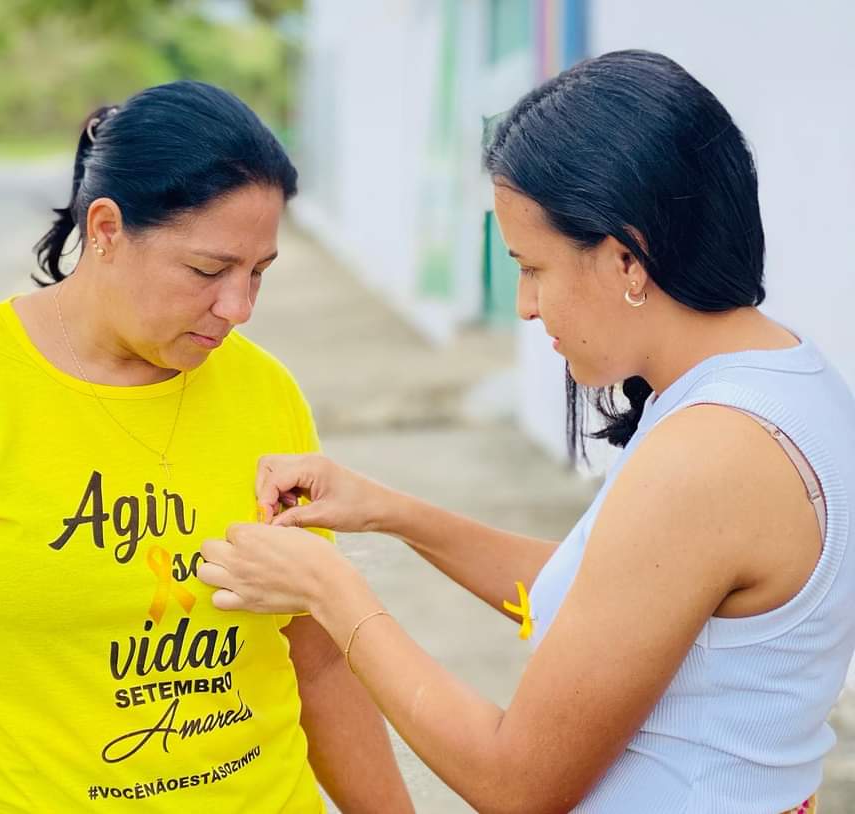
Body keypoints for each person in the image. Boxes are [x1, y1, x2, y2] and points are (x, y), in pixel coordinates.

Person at [196, 51, 855, 813]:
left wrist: (328, 591)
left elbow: (516, 783)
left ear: (625, 259)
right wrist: (390, 512)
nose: (525, 306)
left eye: (532, 267)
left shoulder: (710, 455)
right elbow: (611, 598)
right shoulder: (783, 377)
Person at [0, 80, 412, 813]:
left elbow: (315, 658)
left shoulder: (264, 392)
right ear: (108, 228)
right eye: (209, 271)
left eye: (259, 274)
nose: (238, 309)